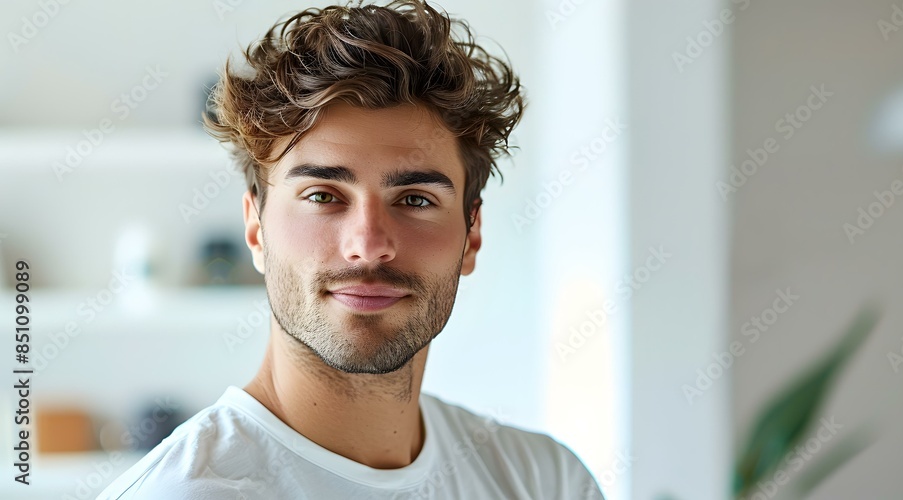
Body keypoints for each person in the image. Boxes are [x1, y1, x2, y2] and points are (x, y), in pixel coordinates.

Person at [99, 1, 604, 498]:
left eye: (414, 199)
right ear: (256, 229)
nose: (368, 246)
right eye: (323, 196)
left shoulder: (547, 481)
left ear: (471, 235)